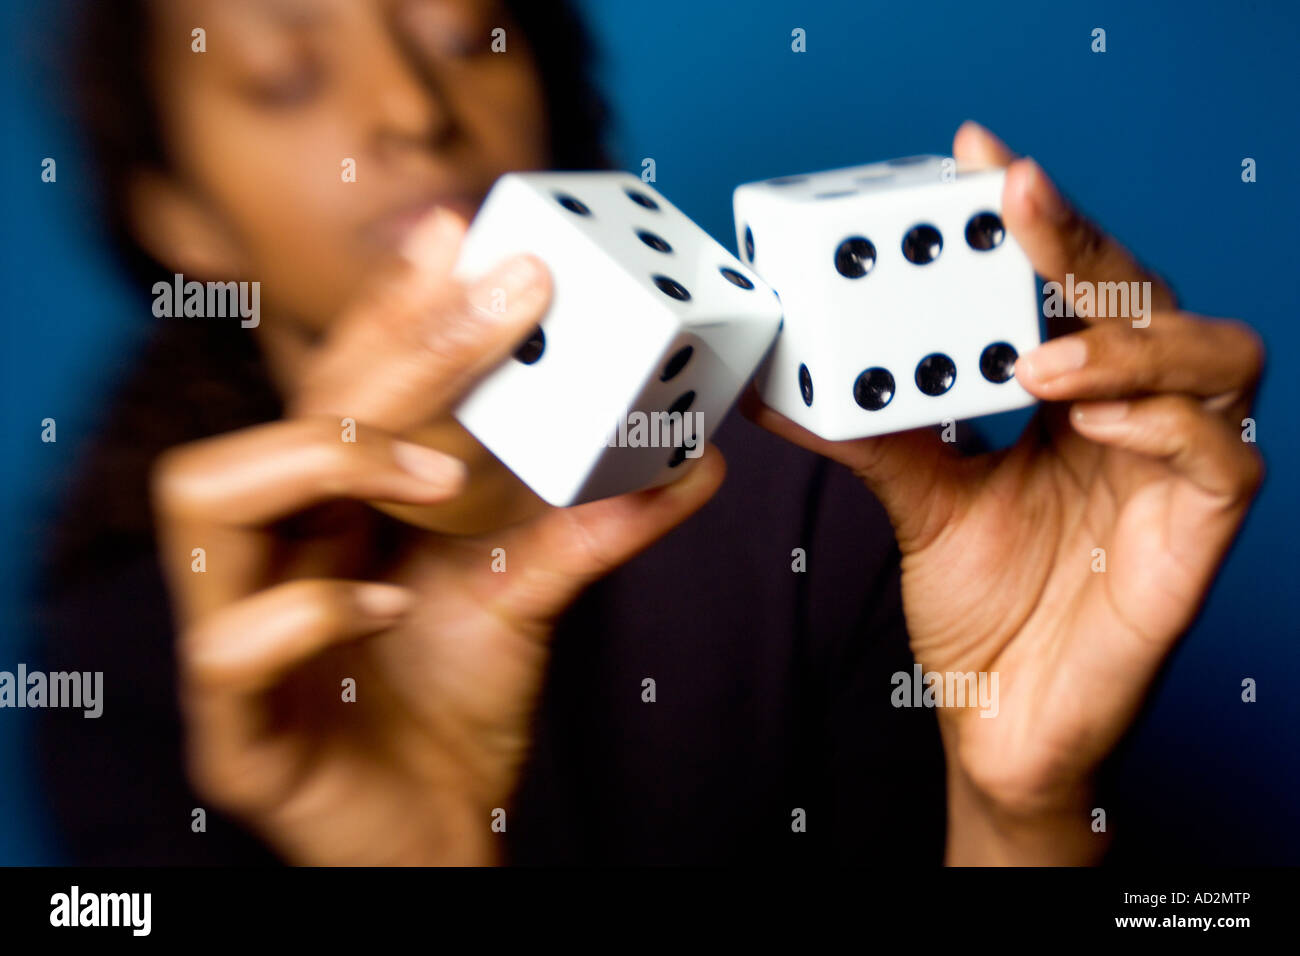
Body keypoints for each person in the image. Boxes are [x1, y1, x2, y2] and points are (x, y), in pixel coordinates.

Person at [36, 0, 1263, 865]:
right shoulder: (143, 651)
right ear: (179, 218)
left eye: (467, 36)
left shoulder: (826, 502)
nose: (412, 107)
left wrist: (1022, 814)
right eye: (286, 76)